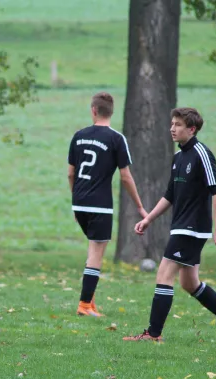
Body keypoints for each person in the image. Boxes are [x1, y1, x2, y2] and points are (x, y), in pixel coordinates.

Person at [123, 107, 216, 344]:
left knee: (164, 274)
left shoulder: (202, 154)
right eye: (172, 123)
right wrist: (148, 219)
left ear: (192, 129)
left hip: (192, 228)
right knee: (189, 283)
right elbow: (170, 195)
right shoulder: (179, 158)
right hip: (181, 225)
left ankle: (153, 334)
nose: (172, 128)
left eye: (178, 125)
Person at [67, 92, 147, 317]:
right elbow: (125, 177)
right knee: (96, 253)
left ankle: (90, 301)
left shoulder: (78, 136)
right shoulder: (116, 139)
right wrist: (140, 207)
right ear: (111, 112)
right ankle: (84, 305)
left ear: (93, 110)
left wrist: (76, 202)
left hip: (80, 203)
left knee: (92, 250)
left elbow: (70, 174)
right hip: (100, 206)